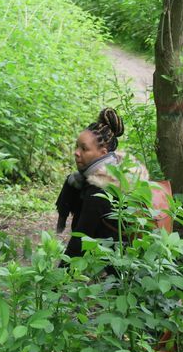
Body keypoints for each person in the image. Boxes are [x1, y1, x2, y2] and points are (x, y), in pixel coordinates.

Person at [55, 107, 149, 259]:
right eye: (77, 146)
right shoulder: (115, 170)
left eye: (84, 149)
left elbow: (79, 242)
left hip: (115, 265)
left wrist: (59, 278)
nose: (76, 152)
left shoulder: (99, 190)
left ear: (103, 153)